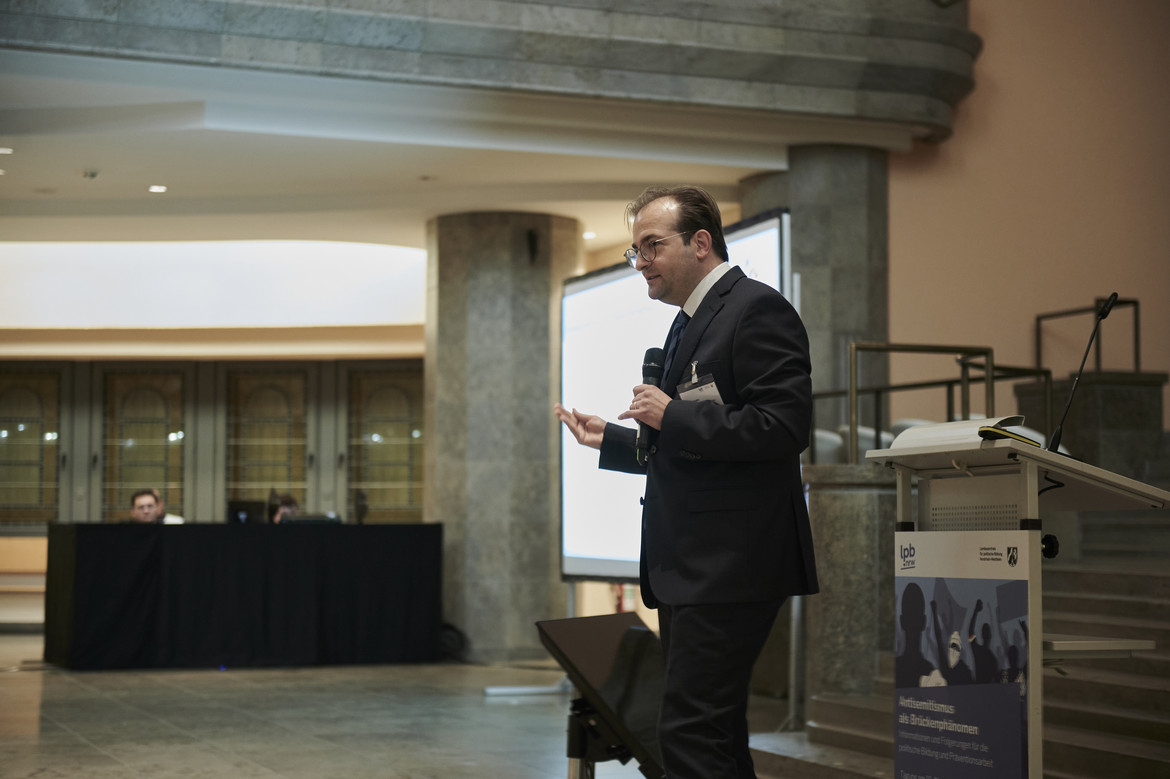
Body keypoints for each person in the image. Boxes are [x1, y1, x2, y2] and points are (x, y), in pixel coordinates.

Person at [555, 185, 818, 779]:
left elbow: (783, 425)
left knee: (689, 731)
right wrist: (616, 439)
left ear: (701, 243)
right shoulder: (687, 323)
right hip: (695, 566)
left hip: (733, 563)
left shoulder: (755, 308)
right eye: (635, 250)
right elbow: (699, 444)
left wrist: (672, 415)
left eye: (652, 245)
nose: (641, 261)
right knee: (712, 732)